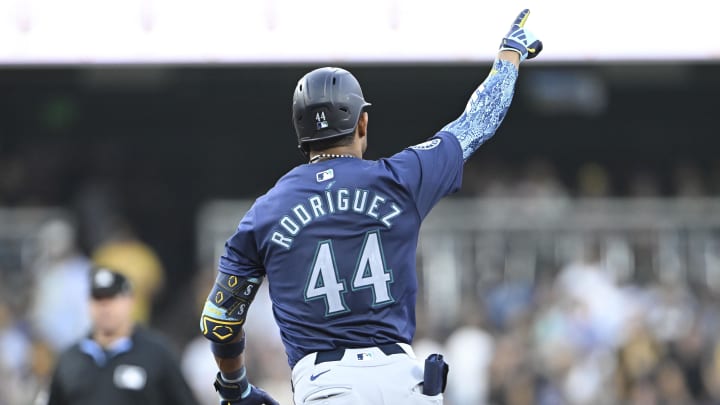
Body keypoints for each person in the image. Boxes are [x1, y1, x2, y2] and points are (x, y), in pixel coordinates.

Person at [199, 9, 542, 405]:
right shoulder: (401, 178)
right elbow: (477, 123)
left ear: (300, 133)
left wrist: (235, 386)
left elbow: (221, 320)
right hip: (403, 381)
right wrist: (509, 56)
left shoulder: (266, 211)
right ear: (362, 123)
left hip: (326, 382)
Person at [47, 268, 198, 405]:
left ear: (129, 302)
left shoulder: (156, 354)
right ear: (89, 304)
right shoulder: (70, 359)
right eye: (98, 299)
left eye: (112, 299)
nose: (105, 308)